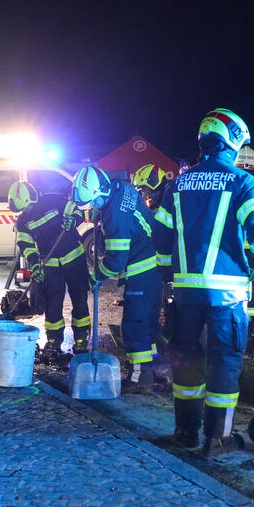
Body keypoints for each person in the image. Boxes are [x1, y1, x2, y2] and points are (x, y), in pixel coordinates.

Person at [152, 108, 254, 456]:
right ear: (232, 142)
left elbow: (160, 238)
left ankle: (185, 433)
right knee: (224, 362)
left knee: (186, 359)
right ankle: (217, 438)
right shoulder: (242, 182)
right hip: (227, 294)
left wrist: (167, 272)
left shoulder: (177, 185)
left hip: (185, 293)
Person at [72, 166, 164, 391]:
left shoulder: (115, 217)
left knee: (135, 326)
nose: (92, 207)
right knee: (149, 325)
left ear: (99, 192)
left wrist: (96, 276)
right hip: (154, 268)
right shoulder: (121, 188)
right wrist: (98, 212)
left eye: (92, 203)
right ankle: (160, 372)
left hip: (140, 271)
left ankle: (139, 379)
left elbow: (116, 261)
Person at [8, 180, 90, 358]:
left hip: (74, 259)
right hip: (50, 264)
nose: (26, 212)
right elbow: (26, 243)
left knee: (80, 298)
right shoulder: (23, 221)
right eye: (23, 210)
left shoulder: (55, 201)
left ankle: (82, 337)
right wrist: (34, 263)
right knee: (53, 303)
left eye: (27, 207)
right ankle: (53, 340)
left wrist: (73, 220)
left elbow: (77, 211)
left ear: (32, 198)